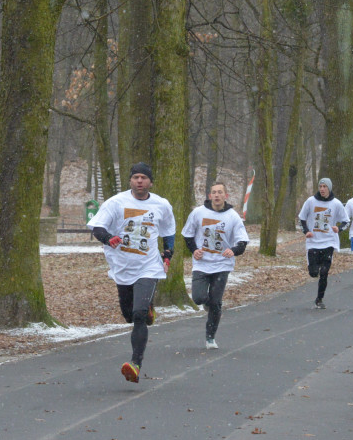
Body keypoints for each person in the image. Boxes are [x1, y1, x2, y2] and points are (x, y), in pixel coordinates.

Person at [87, 162, 176, 384]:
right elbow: (97, 227)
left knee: (138, 315)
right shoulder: (116, 203)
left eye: (143, 178)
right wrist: (109, 238)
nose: (139, 181)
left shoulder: (161, 205)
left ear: (150, 182)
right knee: (129, 315)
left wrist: (167, 255)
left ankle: (135, 365)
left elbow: (168, 232)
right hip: (122, 265)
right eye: (135, 177)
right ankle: (147, 310)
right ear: (130, 181)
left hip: (148, 265)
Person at [181, 182, 250, 349]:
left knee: (216, 302)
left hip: (222, 265)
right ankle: (206, 303)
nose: (217, 195)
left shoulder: (233, 216)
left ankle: (210, 337)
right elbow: (187, 235)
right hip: (202, 264)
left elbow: (242, 241)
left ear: (226, 196)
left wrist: (233, 250)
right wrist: (194, 250)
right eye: (214, 192)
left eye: (220, 192)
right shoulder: (198, 213)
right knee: (198, 298)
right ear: (209, 196)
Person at [298, 178, 348, 309]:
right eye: (320, 186)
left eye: (325, 186)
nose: (322, 189)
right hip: (313, 242)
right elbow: (302, 218)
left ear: (329, 188)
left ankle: (319, 299)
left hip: (329, 242)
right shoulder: (310, 201)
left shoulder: (336, 204)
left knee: (324, 272)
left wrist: (339, 228)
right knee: (314, 273)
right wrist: (306, 231)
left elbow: (346, 221)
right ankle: (315, 269)